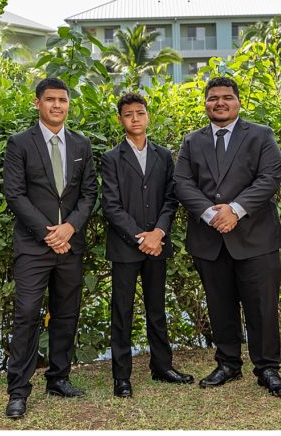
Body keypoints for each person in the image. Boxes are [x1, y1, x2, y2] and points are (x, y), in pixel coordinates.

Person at [174, 76, 281, 397]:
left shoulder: (261, 135)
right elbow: (182, 183)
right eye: (213, 98)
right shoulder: (191, 142)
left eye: (227, 97)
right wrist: (213, 214)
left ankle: (267, 368)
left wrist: (235, 210)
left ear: (238, 102)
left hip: (256, 238)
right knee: (219, 304)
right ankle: (228, 363)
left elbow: (270, 177)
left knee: (262, 307)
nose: (220, 102)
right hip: (210, 239)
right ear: (206, 103)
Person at [1, 77, 97, 419]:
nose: (57, 105)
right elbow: (15, 194)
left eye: (63, 100)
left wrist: (69, 228)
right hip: (33, 246)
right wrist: (48, 233)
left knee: (66, 313)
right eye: (51, 99)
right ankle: (18, 390)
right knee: (27, 314)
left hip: (70, 244)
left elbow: (89, 194)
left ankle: (59, 378)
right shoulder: (20, 143)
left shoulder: (81, 144)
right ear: (38, 103)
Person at [100, 92, 192, 398]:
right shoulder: (111, 158)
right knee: (122, 311)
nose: (135, 118)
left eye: (140, 113)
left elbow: (171, 198)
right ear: (120, 119)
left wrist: (159, 233)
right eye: (128, 114)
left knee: (157, 309)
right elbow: (111, 206)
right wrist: (141, 237)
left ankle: (162, 366)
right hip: (127, 247)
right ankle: (121, 376)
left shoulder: (164, 156)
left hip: (158, 244)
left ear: (147, 115)